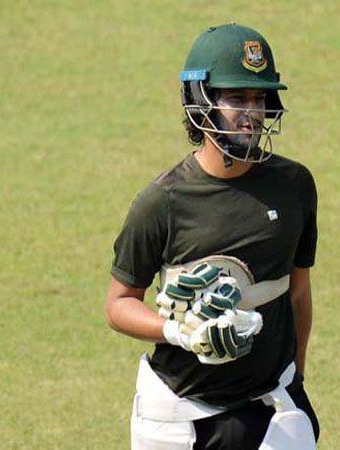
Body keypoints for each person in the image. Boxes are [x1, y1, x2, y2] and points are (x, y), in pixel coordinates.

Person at [105, 23, 320, 449]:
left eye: (259, 98)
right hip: (182, 414)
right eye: (237, 98)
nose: (251, 113)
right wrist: (178, 332)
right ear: (200, 101)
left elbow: (297, 291)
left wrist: (297, 374)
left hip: (273, 402)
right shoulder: (162, 202)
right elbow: (118, 304)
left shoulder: (295, 185)